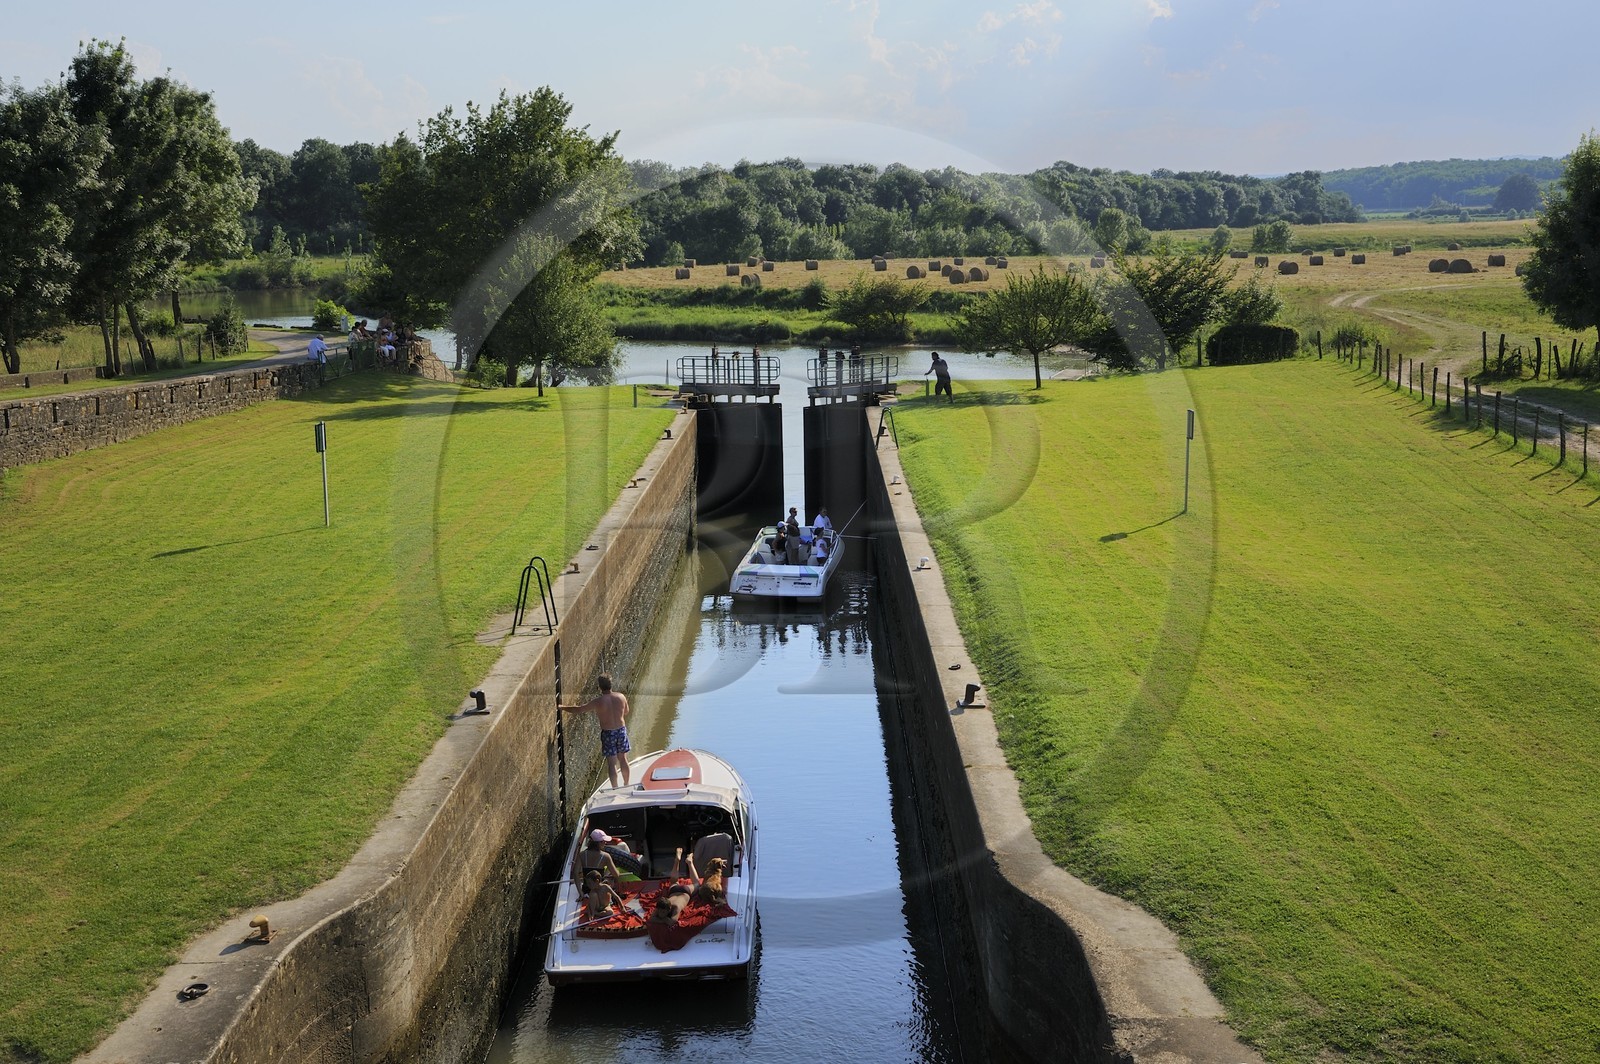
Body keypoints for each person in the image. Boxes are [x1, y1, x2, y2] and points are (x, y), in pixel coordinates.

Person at [559, 673, 632, 789]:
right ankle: (627, 784)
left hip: (608, 733)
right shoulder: (621, 697)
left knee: (612, 763)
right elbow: (626, 711)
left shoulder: (598, 702)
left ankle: (615, 788)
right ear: (611, 684)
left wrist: (562, 707)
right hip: (621, 730)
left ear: (599, 687)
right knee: (623, 759)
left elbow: (579, 710)